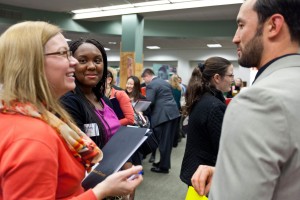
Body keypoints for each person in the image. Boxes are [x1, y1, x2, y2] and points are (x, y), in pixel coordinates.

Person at [0, 21, 142, 199]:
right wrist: (100, 192)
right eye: (63, 54)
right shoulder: (34, 135)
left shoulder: (23, 115)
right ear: (31, 63)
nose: (74, 63)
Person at [191, 0, 300, 199]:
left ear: (273, 25)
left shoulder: (258, 101)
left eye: (241, 25)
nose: (235, 38)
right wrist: (231, 177)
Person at [180, 57, 233, 187]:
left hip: (197, 167)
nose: (232, 79)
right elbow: (222, 146)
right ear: (217, 78)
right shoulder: (214, 105)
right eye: (230, 75)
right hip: (206, 173)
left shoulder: (202, 98)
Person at [60, 39, 120, 148]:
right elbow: (81, 150)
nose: (92, 66)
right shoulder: (68, 101)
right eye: (83, 61)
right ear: (71, 64)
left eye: (97, 61)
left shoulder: (103, 100)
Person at [141, 68, 180, 173]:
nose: (145, 82)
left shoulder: (151, 85)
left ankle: (164, 167)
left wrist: (141, 111)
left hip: (162, 116)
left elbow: (149, 101)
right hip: (173, 113)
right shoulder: (164, 82)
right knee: (167, 142)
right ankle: (163, 163)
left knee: (163, 142)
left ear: (147, 75)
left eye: (144, 79)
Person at [168, 74, 182, 147]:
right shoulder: (179, 88)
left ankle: (170, 142)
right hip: (178, 108)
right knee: (176, 127)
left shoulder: (170, 88)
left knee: (170, 127)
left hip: (171, 108)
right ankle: (175, 143)